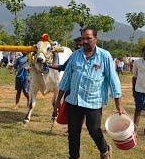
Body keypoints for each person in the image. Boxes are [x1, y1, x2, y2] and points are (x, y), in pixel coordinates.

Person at [53, 27, 125, 159]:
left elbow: (113, 81)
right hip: (74, 101)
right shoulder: (75, 56)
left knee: (93, 130)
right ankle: (73, 156)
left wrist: (118, 105)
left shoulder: (104, 56)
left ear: (95, 39)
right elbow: (66, 79)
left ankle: (104, 150)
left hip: (94, 102)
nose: (85, 41)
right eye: (83, 38)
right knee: (73, 133)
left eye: (88, 38)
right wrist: (58, 102)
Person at [132, 46, 145, 135]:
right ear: (142, 52)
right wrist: (133, 90)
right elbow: (134, 77)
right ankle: (134, 130)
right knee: (138, 110)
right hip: (139, 90)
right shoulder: (137, 62)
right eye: (144, 52)